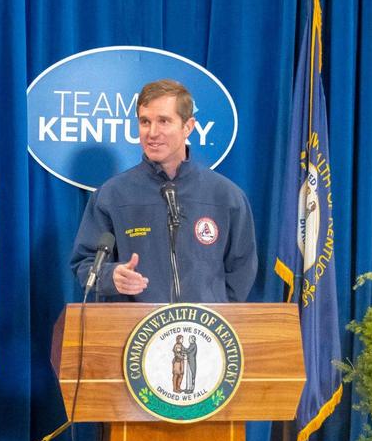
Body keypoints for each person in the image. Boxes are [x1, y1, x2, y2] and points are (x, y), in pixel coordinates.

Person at [69, 79, 258, 303]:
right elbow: (85, 264)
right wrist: (111, 277)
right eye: (145, 122)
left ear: (188, 126)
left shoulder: (227, 196)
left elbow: (242, 268)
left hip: (202, 332)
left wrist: (214, 315)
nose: (152, 132)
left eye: (164, 121)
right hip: (135, 331)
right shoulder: (112, 195)